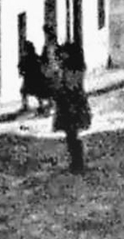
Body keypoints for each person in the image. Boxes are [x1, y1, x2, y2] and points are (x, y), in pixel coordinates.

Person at [51, 41, 91, 173]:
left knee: (73, 133)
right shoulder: (70, 68)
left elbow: (71, 86)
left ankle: (77, 162)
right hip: (70, 102)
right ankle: (76, 162)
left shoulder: (73, 69)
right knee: (71, 134)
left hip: (72, 102)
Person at [17, 38, 40, 113]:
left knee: (25, 91)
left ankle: (26, 105)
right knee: (26, 91)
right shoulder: (34, 57)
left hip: (31, 79)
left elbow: (21, 67)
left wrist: (22, 72)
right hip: (32, 79)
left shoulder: (27, 58)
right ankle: (27, 105)